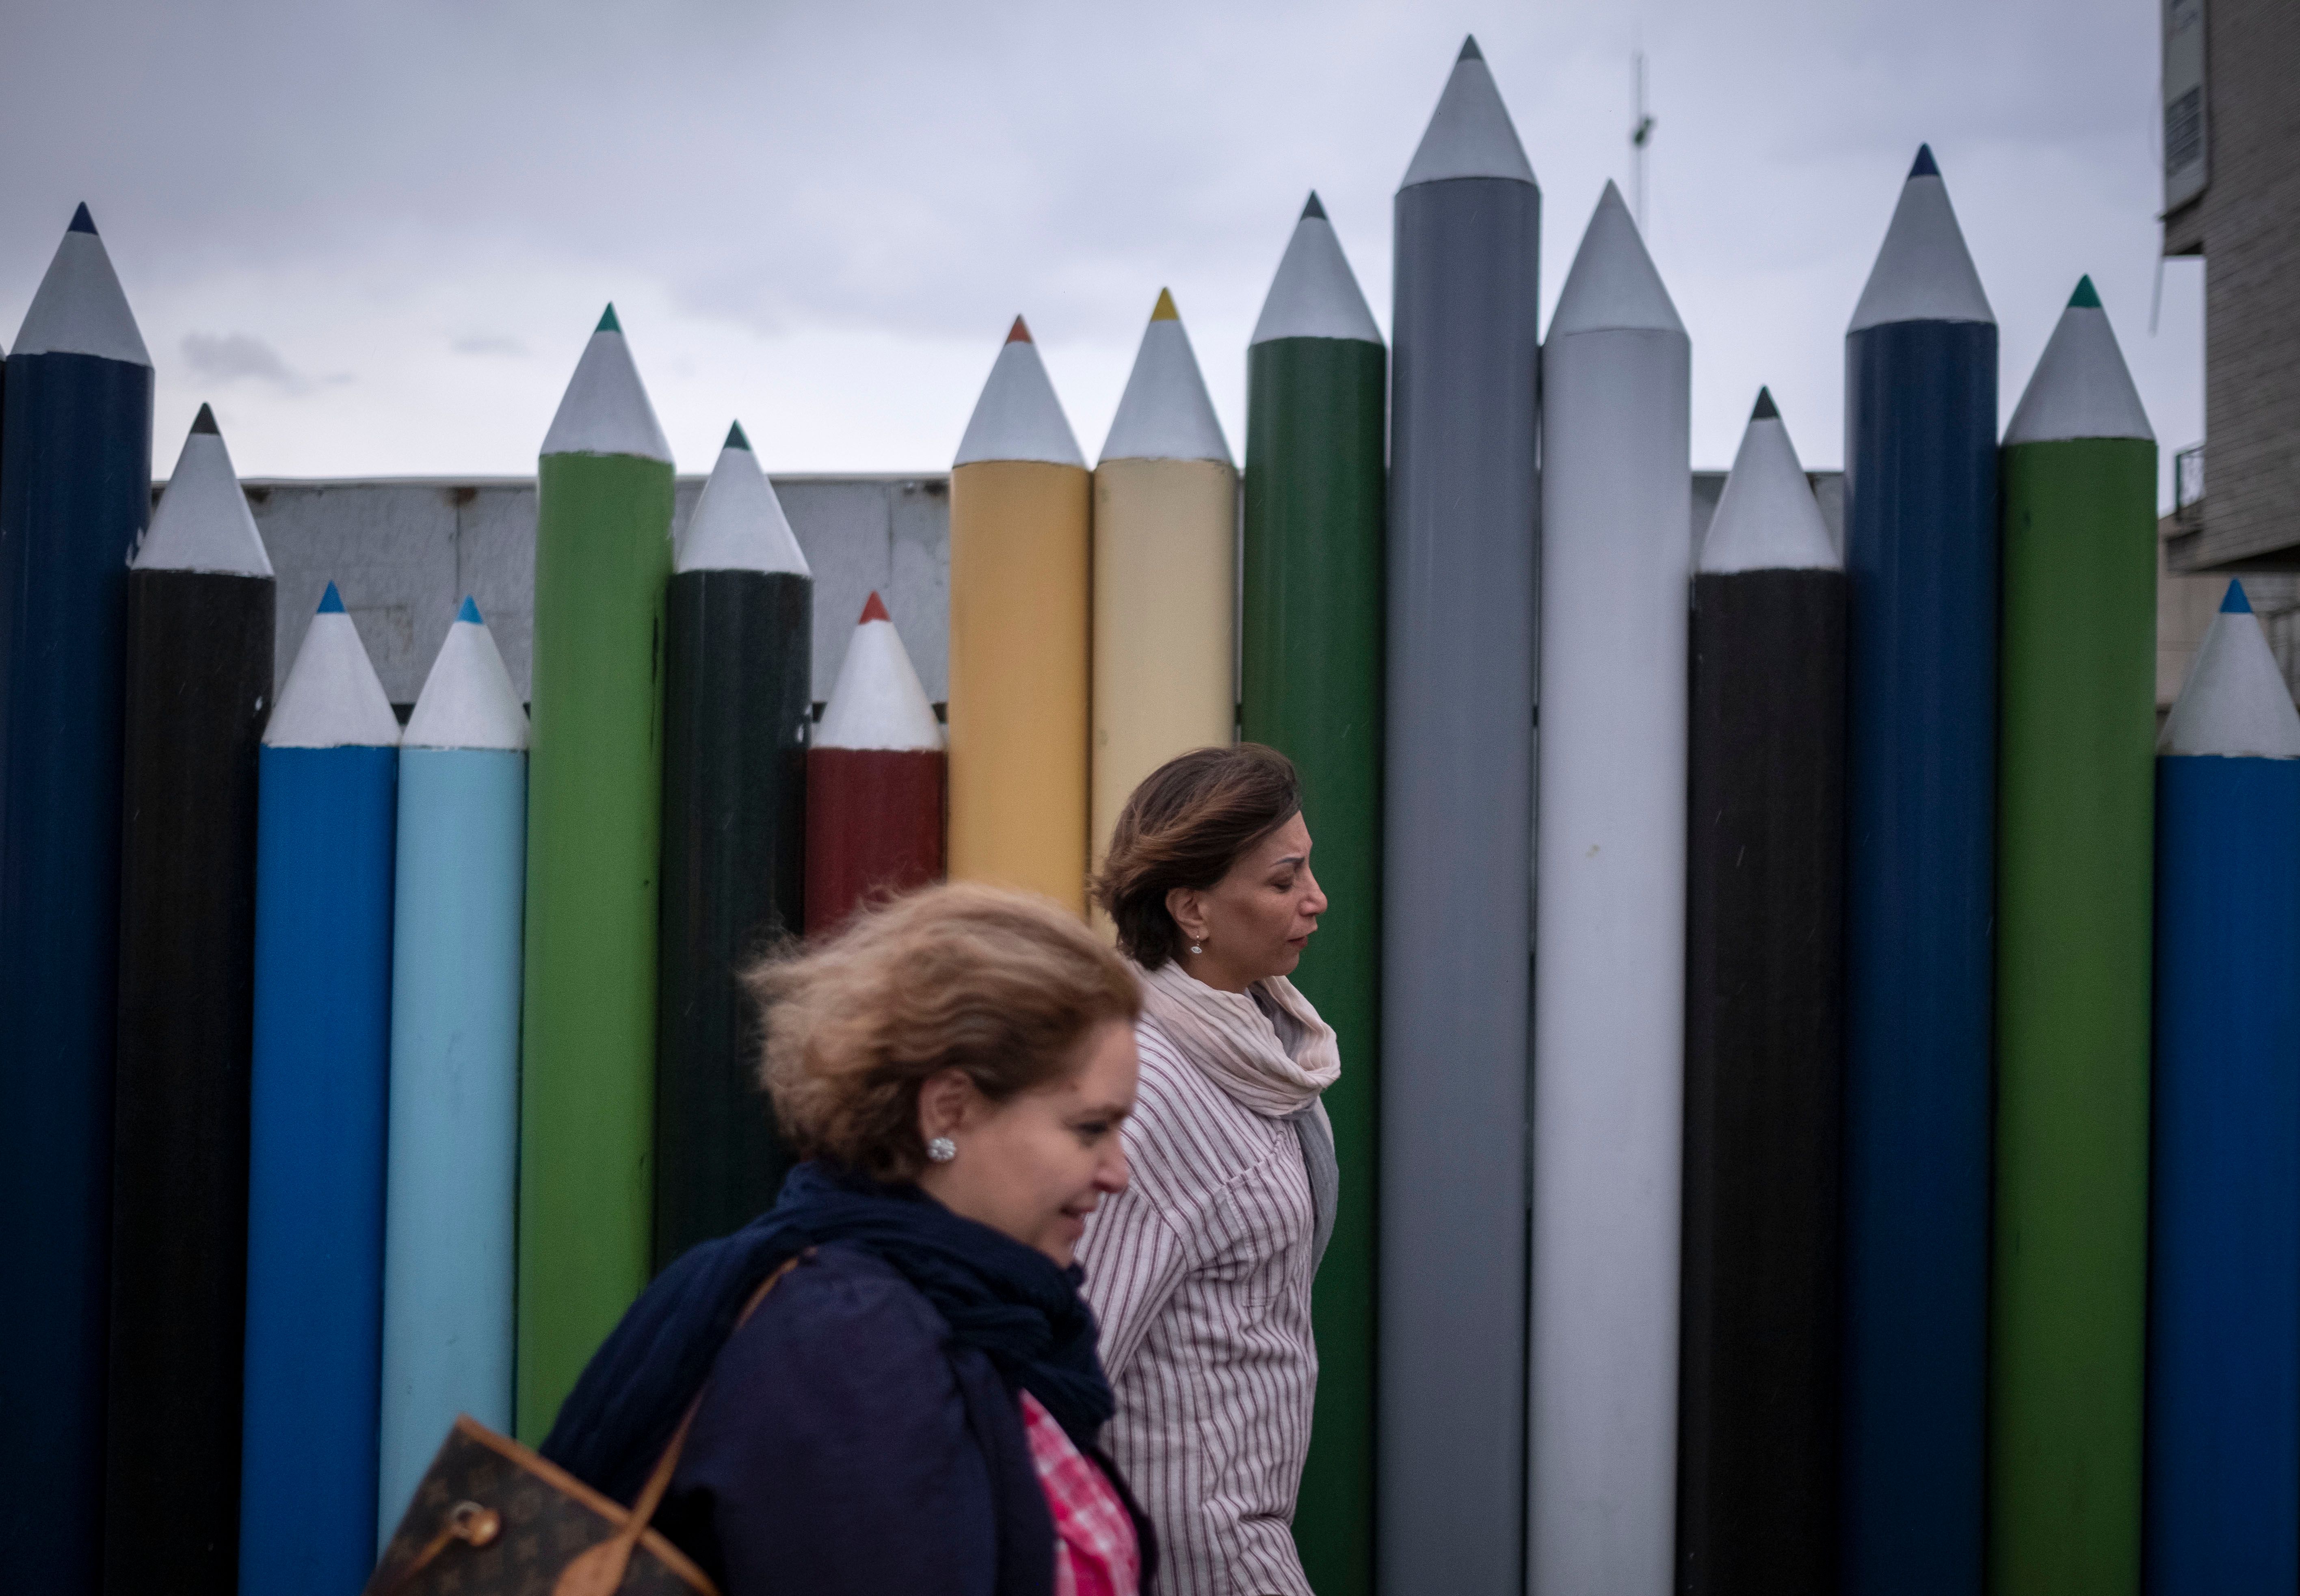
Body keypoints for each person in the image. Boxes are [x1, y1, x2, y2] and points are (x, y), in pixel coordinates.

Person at [542, 883, 1158, 1596]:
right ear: (948, 1109)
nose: (1119, 1172)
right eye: (1089, 1128)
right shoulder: (849, 1343)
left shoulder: (955, 1309)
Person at [1080, 745, 1337, 1596]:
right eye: (1283, 880)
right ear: (1192, 907)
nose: (1316, 899)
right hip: (1190, 1547)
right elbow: (1076, 1349)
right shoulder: (1149, 1087)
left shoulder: (1258, 1045)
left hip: (1245, 1521)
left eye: (1309, 870)